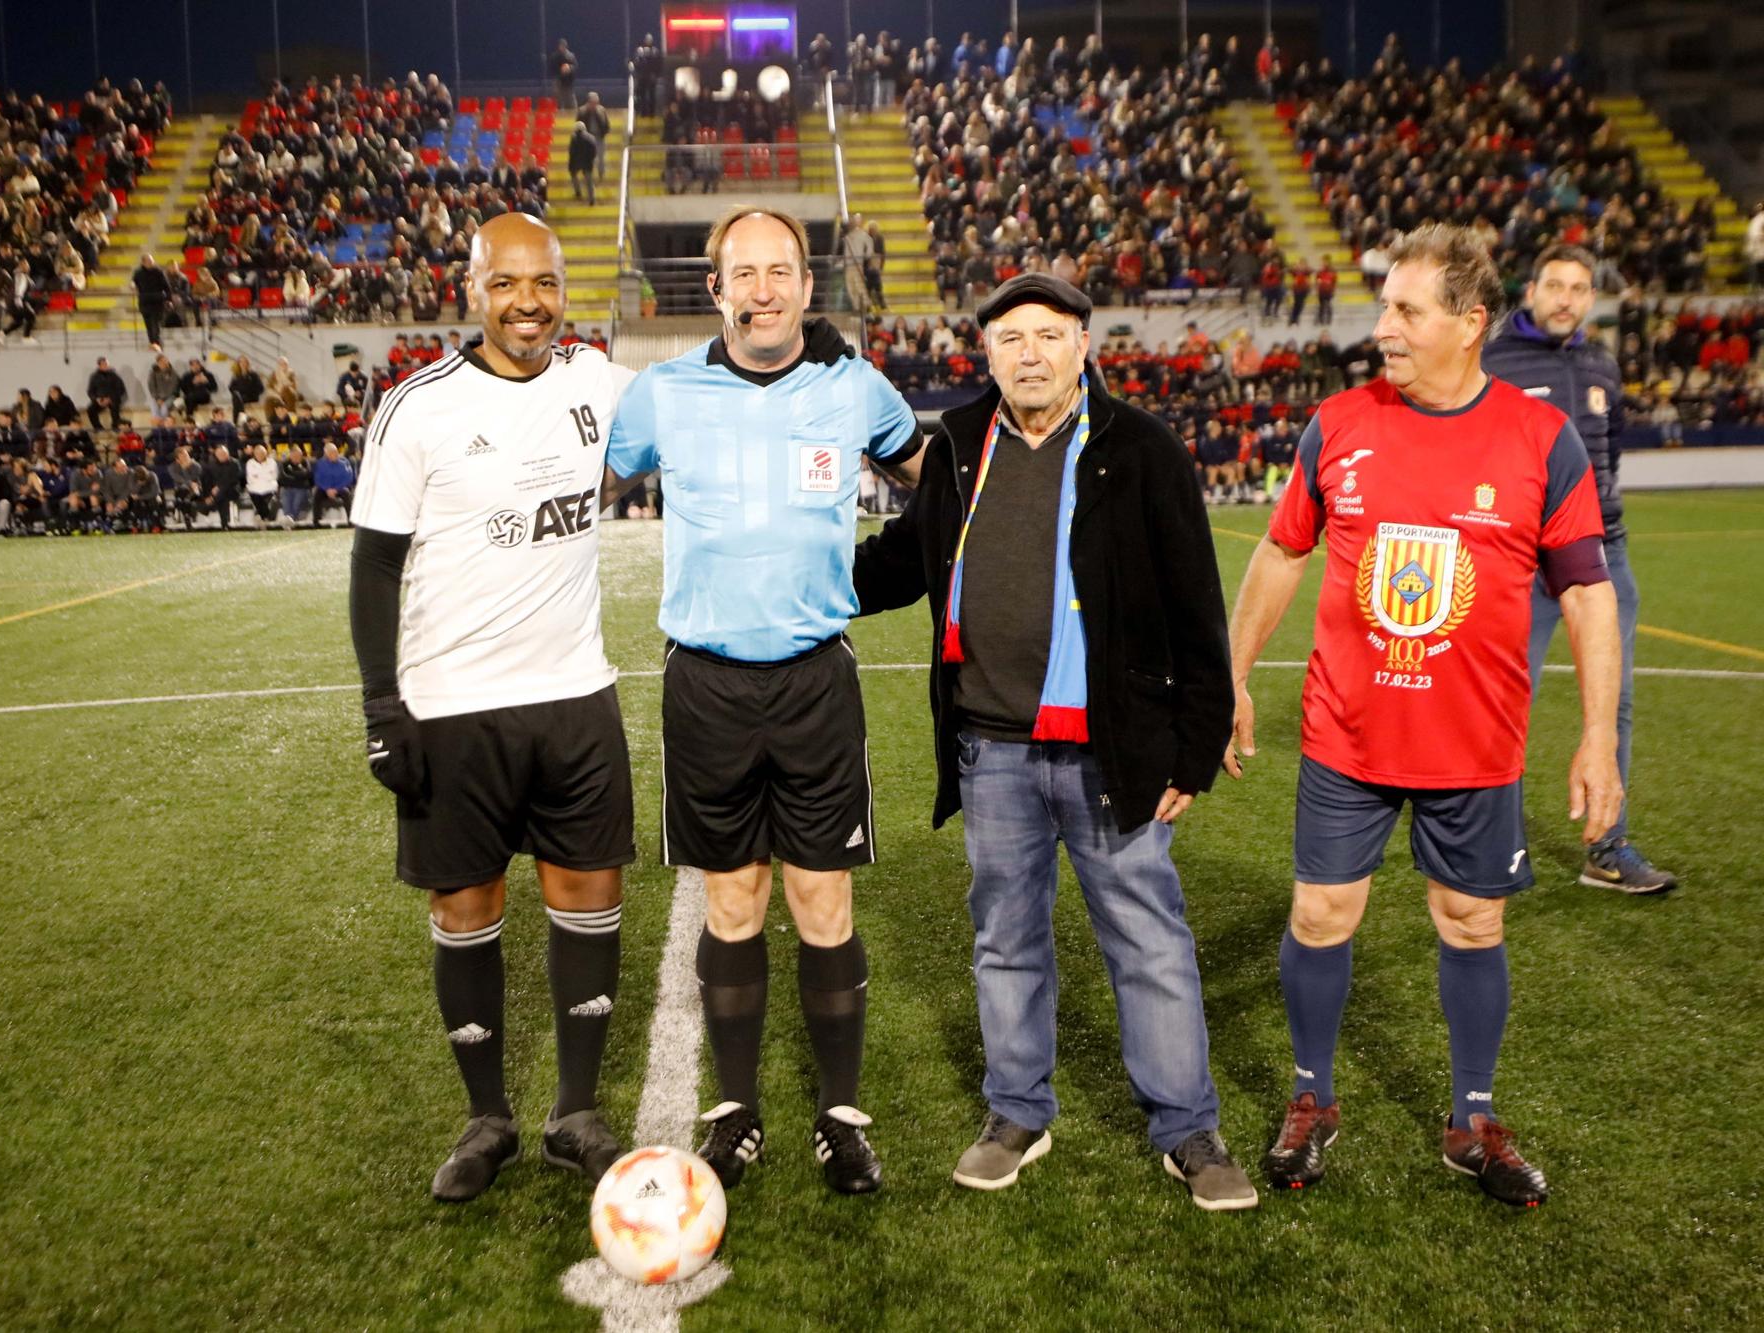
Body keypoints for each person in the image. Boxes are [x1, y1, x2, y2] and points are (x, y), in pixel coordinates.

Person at [1221, 223, 1622, 1209]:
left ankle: (1469, 1116)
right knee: (1319, 913)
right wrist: (1230, 673)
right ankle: (1310, 1097)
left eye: (1404, 310)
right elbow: (1280, 552)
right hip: (1345, 738)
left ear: (1467, 322)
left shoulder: (1539, 439)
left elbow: (1586, 592)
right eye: (1382, 307)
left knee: (1470, 921)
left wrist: (1598, 735)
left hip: (1474, 744)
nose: (1380, 328)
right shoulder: (1338, 422)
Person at [850, 273, 1254, 1207]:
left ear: (1083, 345)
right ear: (984, 352)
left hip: (1112, 746)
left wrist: (1193, 748)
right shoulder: (957, 444)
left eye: (1047, 335)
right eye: (1010, 338)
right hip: (991, 748)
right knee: (1006, 938)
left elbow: (1195, 599)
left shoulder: (1141, 446)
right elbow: (907, 564)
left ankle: (1188, 1129)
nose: (1028, 353)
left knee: (1149, 941)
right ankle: (1017, 1111)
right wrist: (797, 578)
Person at [604, 207, 924, 1196]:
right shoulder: (662, 394)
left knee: (820, 896)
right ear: (716, 289)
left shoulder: (851, 386)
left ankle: (838, 1117)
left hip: (812, 681)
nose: (763, 287)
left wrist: (881, 581)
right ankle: (735, 1110)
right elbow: (581, 470)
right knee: (732, 899)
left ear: (805, 283)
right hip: (703, 683)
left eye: (780, 269)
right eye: (743, 271)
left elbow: (933, 481)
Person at [348, 213, 638, 1203]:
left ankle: (575, 1112)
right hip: (452, 708)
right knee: (464, 907)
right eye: (507, 282)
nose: (528, 301)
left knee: (589, 897)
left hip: (573, 696)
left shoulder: (597, 383)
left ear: (565, 289)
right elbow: (374, 563)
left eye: (545, 283)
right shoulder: (416, 407)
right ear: (470, 287)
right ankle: (486, 1118)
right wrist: (382, 705)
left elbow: (701, 414)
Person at [1482, 244, 1674, 894]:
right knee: (1509, 701)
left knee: (1613, 704)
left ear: (1592, 298)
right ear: (1530, 288)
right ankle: (1494, 841)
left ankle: (1608, 846)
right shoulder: (1491, 356)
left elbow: (1610, 447)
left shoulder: (1600, 361)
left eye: (1580, 288)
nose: (1567, 298)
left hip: (1602, 552)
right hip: (1520, 557)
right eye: (1555, 285)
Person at [131, 253, 169, 348]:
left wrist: (169, 299)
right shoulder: (138, 273)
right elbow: (133, 282)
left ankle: (157, 344)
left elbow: (166, 286)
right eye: (149, 261)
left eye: (152, 261)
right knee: (148, 325)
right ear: (143, 262)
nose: (152, 263)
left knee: (156, 325)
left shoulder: (159, 272)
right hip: (145, 302)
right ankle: (152, 343)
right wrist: (132, 285)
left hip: (158, 302)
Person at [312, 442, 355, 526]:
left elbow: (349, 478)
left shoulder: (344, 462)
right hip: (325, 489)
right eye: (332, 453)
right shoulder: (320, 464)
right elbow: (317, 479)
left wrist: (336, 489)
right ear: (326, 454)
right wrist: (327, 489)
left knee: (346, 493)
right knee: (317, 494)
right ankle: (316, 522)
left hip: (340, 488)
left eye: (336, 452)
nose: (335, 454)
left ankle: (350, 521)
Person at [244, 442, 280, 528]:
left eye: (262, 453)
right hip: (254, 489)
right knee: (259, 500)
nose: (260, 455)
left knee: (270, 501)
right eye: (257, 454)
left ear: (266, 453)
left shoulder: (272, 462)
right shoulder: (250, 463)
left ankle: (262, 519)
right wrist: (265, 474)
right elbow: (251, 478)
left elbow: (273, 476)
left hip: (270, 488)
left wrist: (259, 475)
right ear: (254, 454)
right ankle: (265, 520)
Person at [87, 357, 127, 432]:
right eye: (103, 364)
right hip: (100, 400)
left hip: (113, 399)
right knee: (90, 410)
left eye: (106, 364)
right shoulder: (94, 377)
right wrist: (97, 399)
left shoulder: (114, 376)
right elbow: (90, 391)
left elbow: (121, 389)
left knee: (115, 408)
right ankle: (98, 428)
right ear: (99, 366)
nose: (105, 366)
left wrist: (110, 399)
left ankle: (115, 427)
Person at [278, 444, 312, 526]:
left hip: (301, 488)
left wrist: (293, 475)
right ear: (290, 456)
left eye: (299, 456)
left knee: (297, 501)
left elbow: (307, 475)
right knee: (285, 498)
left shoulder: (305, 462)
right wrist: (298, 476)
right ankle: (289, 518)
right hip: (287, 488)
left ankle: (291, 519)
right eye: (295, 456)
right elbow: (282, 478)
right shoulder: (285, 464)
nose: (297, 458)